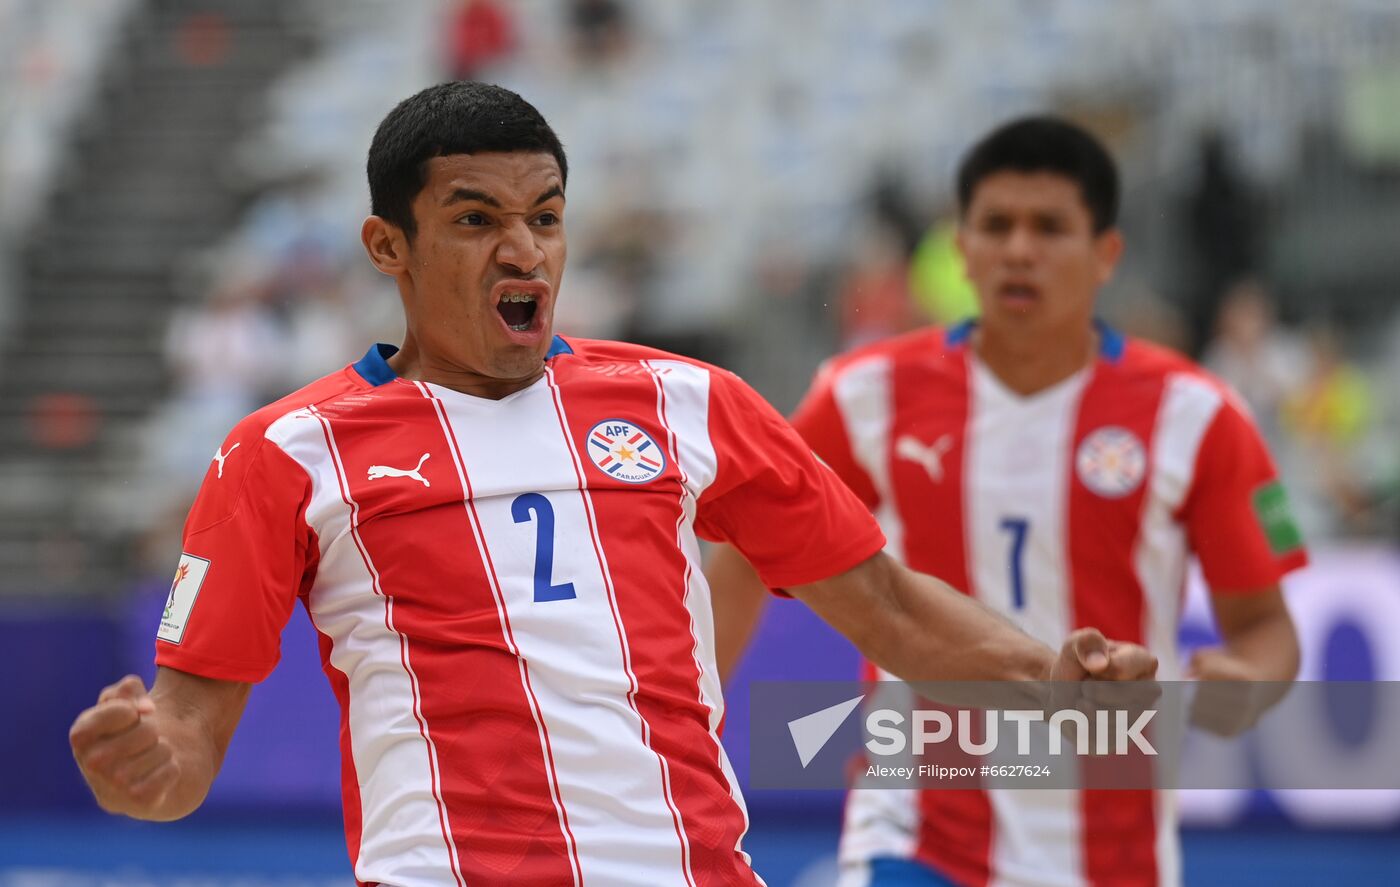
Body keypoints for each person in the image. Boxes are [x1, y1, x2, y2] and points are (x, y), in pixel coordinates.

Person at [68, 85, 1155, 887]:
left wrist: (1046, 671)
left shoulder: (688, 404)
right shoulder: (286, 452)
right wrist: (139, 764)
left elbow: (887, 606)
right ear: (386, 246)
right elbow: (183, 753)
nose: (522, 250)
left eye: (543, 216)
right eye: (475, 219)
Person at [707, 117, 1305, 887]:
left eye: (1050, 226)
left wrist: (1244, 678)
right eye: (996, 225)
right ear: (962, 249)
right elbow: (742, 556)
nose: (1019, 248)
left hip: (1116, 852)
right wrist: (685, 718)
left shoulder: (1200, 417)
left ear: (1106, 255)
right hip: (917, 835)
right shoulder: (864, 396)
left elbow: (1267, 627)